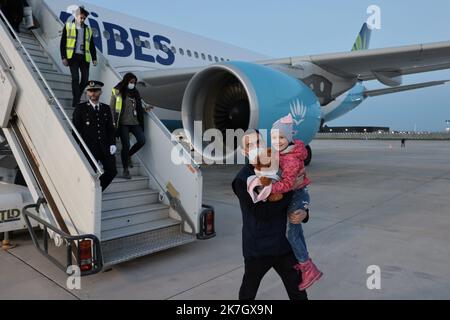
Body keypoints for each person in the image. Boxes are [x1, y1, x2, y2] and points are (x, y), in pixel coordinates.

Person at [232, 130, 308, 300]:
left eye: (258, 142)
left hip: (283, 245)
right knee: (248, 293)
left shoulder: (280, 168)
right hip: (258, 248)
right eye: (250, 145)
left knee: (298, 290)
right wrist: (288, 190)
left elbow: (298, 196)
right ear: (244, 152)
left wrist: (304, 212)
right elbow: (262, 213)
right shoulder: (242, 180)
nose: (255, 147)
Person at [267, 114, 323, 291]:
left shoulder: (290, 158)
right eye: (274, 137)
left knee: (292, 234)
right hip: (298, 194)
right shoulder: (281, 153)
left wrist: (270, 189)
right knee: (296, 233)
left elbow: (288, 184)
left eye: (282, 137)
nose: (278, 141)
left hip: (298, 195)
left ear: (289, 138)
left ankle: (307, 267)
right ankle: (306, 263)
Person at [72, 81, 117, 191]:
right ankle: (88, 195)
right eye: (90, 91)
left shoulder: (106, 108)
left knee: (112, 171)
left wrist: (112, 143)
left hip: (105, 146)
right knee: (89, 174)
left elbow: (110, 128)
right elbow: (76, 130)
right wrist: (76, 146)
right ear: (87, 93)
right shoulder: (80, 108)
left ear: (100, 92)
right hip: (88, 147)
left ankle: (97, 191)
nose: (93, 93)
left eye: (95, 91)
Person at [110, 73, 151, 179]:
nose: (132, 84)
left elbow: (135, 107)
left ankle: (128, 155)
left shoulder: (135, 93)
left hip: (134, 122)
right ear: (126, 81)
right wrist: (113, 123)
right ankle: (125, 170)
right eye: (131, 82)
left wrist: (144, 109)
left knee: (142, 140)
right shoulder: (117, 91)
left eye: (134, 82)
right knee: (126, 145)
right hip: (123, 123)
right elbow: (112, 108)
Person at [60, 6, 97, 109]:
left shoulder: (88, 29)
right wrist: (63, 57)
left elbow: (91, 45)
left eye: (84, 18)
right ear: (76, 16)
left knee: (85, 80)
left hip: (84, 58)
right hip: (72, 56)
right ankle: (76, 101)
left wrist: (94, 58)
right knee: (75, 78)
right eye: (81, 17)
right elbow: (63, 43)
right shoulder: (68, 26)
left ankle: (76, 98)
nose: (82, 20)